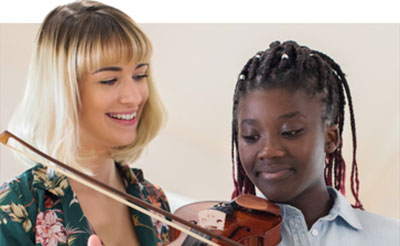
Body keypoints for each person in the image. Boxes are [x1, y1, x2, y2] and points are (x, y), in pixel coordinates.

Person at [0, 1, 170, 245]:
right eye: (110, 80)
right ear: (64, 91)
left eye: (139, 75)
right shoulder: (13, 207)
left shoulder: (154, 202)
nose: (134, 97)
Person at [230, 40, 399, 245]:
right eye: (250, 136)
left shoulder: (391, 237)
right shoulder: (222, 236)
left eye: (290, 132)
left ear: (330, 138)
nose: (268, 151)